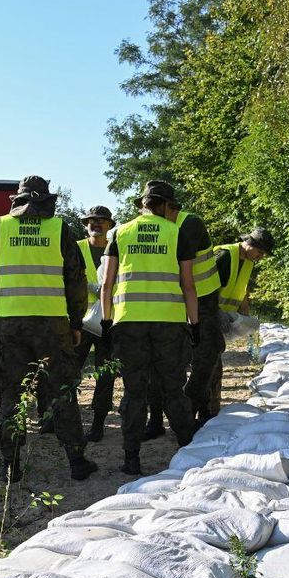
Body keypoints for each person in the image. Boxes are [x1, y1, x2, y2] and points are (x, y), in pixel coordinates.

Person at [0, 175, 98, 481]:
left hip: (10, 326)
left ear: (17, 199)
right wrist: (75, 321)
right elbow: (76, 280)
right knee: (62, 391)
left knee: (11, 395)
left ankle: (11, 465)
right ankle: (77, 461)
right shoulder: (60, 230)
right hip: (53, 325)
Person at [101, 180, 200, 475]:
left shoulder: (119, 232)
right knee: (173, 388)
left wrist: (107, 322)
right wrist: (194, 324)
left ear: (143, 204)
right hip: (169, 323)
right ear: (165, 205)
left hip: (129, 322)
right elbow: (189, 286)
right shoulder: (176, 233)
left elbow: (107, 284)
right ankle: (189, 451)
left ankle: (131, 458)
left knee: (134, 392)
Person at [207, 228, 275, 413]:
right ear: (250, 244)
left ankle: (211, 410)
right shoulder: (225, 256)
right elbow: (205, 288)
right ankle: (203, 412)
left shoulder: (248, 261)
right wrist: (214, 311)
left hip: (221, 320)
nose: (260, 257)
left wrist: (245, 318)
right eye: (260, 252)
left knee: (214, 363)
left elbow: (243, 290)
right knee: (208, 366)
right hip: (205, 318)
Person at [170, 199, 222, 425]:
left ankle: (195, 407)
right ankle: (186, 412)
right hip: (175, 300)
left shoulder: (190, 223)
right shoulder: (158, 226)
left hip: (203, 299)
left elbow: (179, 262)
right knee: (177, 358)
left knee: (207, 355)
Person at [74, 205, 118, 442]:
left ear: (110, 225)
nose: (96, 224)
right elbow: (65, 277)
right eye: (91, 221)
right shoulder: (77, 248)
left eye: (101, 220)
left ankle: (99, 421)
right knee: (70, 369)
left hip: (108, 319)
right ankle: (61, 417)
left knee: (106, 373)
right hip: (80, 320)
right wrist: (89, 288)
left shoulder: (117, 248)